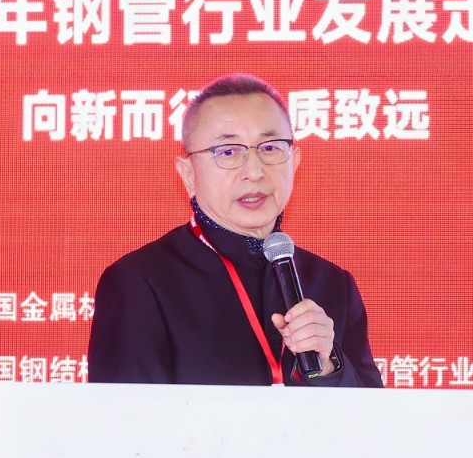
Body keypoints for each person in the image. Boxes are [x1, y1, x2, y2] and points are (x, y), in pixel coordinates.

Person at [88, 74, 383, 387]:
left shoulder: (333, 283)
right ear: (188, 174)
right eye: (228, 152)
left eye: (270, 148)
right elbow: (123, 415)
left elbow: (373, 413)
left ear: (294, 162)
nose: (254, 171)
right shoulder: (140, 282)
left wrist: (328, 367)